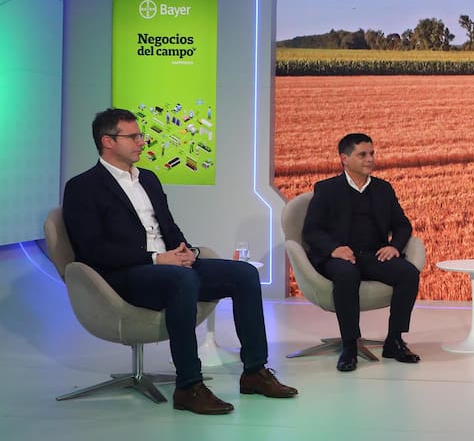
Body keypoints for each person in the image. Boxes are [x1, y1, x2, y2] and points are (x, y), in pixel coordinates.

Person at [62, 108, 298, 415]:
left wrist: (187, 252)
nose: (141, 142)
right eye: (132, 136)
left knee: (243, 274)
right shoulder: (83, 187)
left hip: (167, 263)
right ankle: (188, 387)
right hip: (125, 275)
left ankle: (254, 371)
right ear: (108, 141)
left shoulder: (148, 178)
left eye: (141, 135)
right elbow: (92, 250)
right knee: (181, 280)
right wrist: (156, 259)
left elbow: (168, 228)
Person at [302, 133, 421, 372]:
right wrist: (334, 249)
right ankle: (349, 345)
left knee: (408, 273)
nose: (370, 159)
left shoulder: (383, 189)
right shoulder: (326, 189)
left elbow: (402, 225)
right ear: (344, 158)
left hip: (373, 254)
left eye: (372, 154)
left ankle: (394, 340)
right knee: (346, 275)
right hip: (340, 256)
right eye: (363, 154)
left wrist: (394, 247)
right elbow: (311, 231)